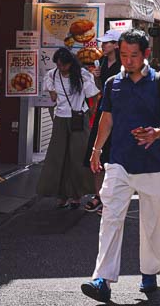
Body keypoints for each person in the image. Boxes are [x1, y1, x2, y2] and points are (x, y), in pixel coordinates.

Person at [82, 30, 160, 301]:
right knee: (110, 218)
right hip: (119, 162)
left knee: (152, 223)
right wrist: (97, 150)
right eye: (123, 54)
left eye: (133, 55)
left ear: (146, 54)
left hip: (154, 164)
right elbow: (107, 118)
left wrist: (158, 132)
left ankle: (149, 274)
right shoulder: (113, 82)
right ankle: (102, 278)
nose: (128, 60)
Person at [36, 48, 99, 208]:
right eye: (58, 64)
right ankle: (62, 194)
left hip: (78, 118)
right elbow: (52, 96)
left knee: (77, 156)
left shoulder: (83, 75)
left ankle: (77, 194)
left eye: (64, 65)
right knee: (58, 157)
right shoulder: (52, 74)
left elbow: (94, 96)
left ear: (71, 63)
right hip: (61, 119)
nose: (61, 68)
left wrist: (88, 113)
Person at [84, 29, 123, 214]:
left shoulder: (124, 65)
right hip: (103, 112)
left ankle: (110, 197)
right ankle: (98, 196)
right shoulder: (102, 63)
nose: (103, 45)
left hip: (119, 115)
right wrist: (96, 77)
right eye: (103, 43)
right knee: (96, 154)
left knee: (113, 157)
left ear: (116, 45)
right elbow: (101, 92)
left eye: (107, 43)